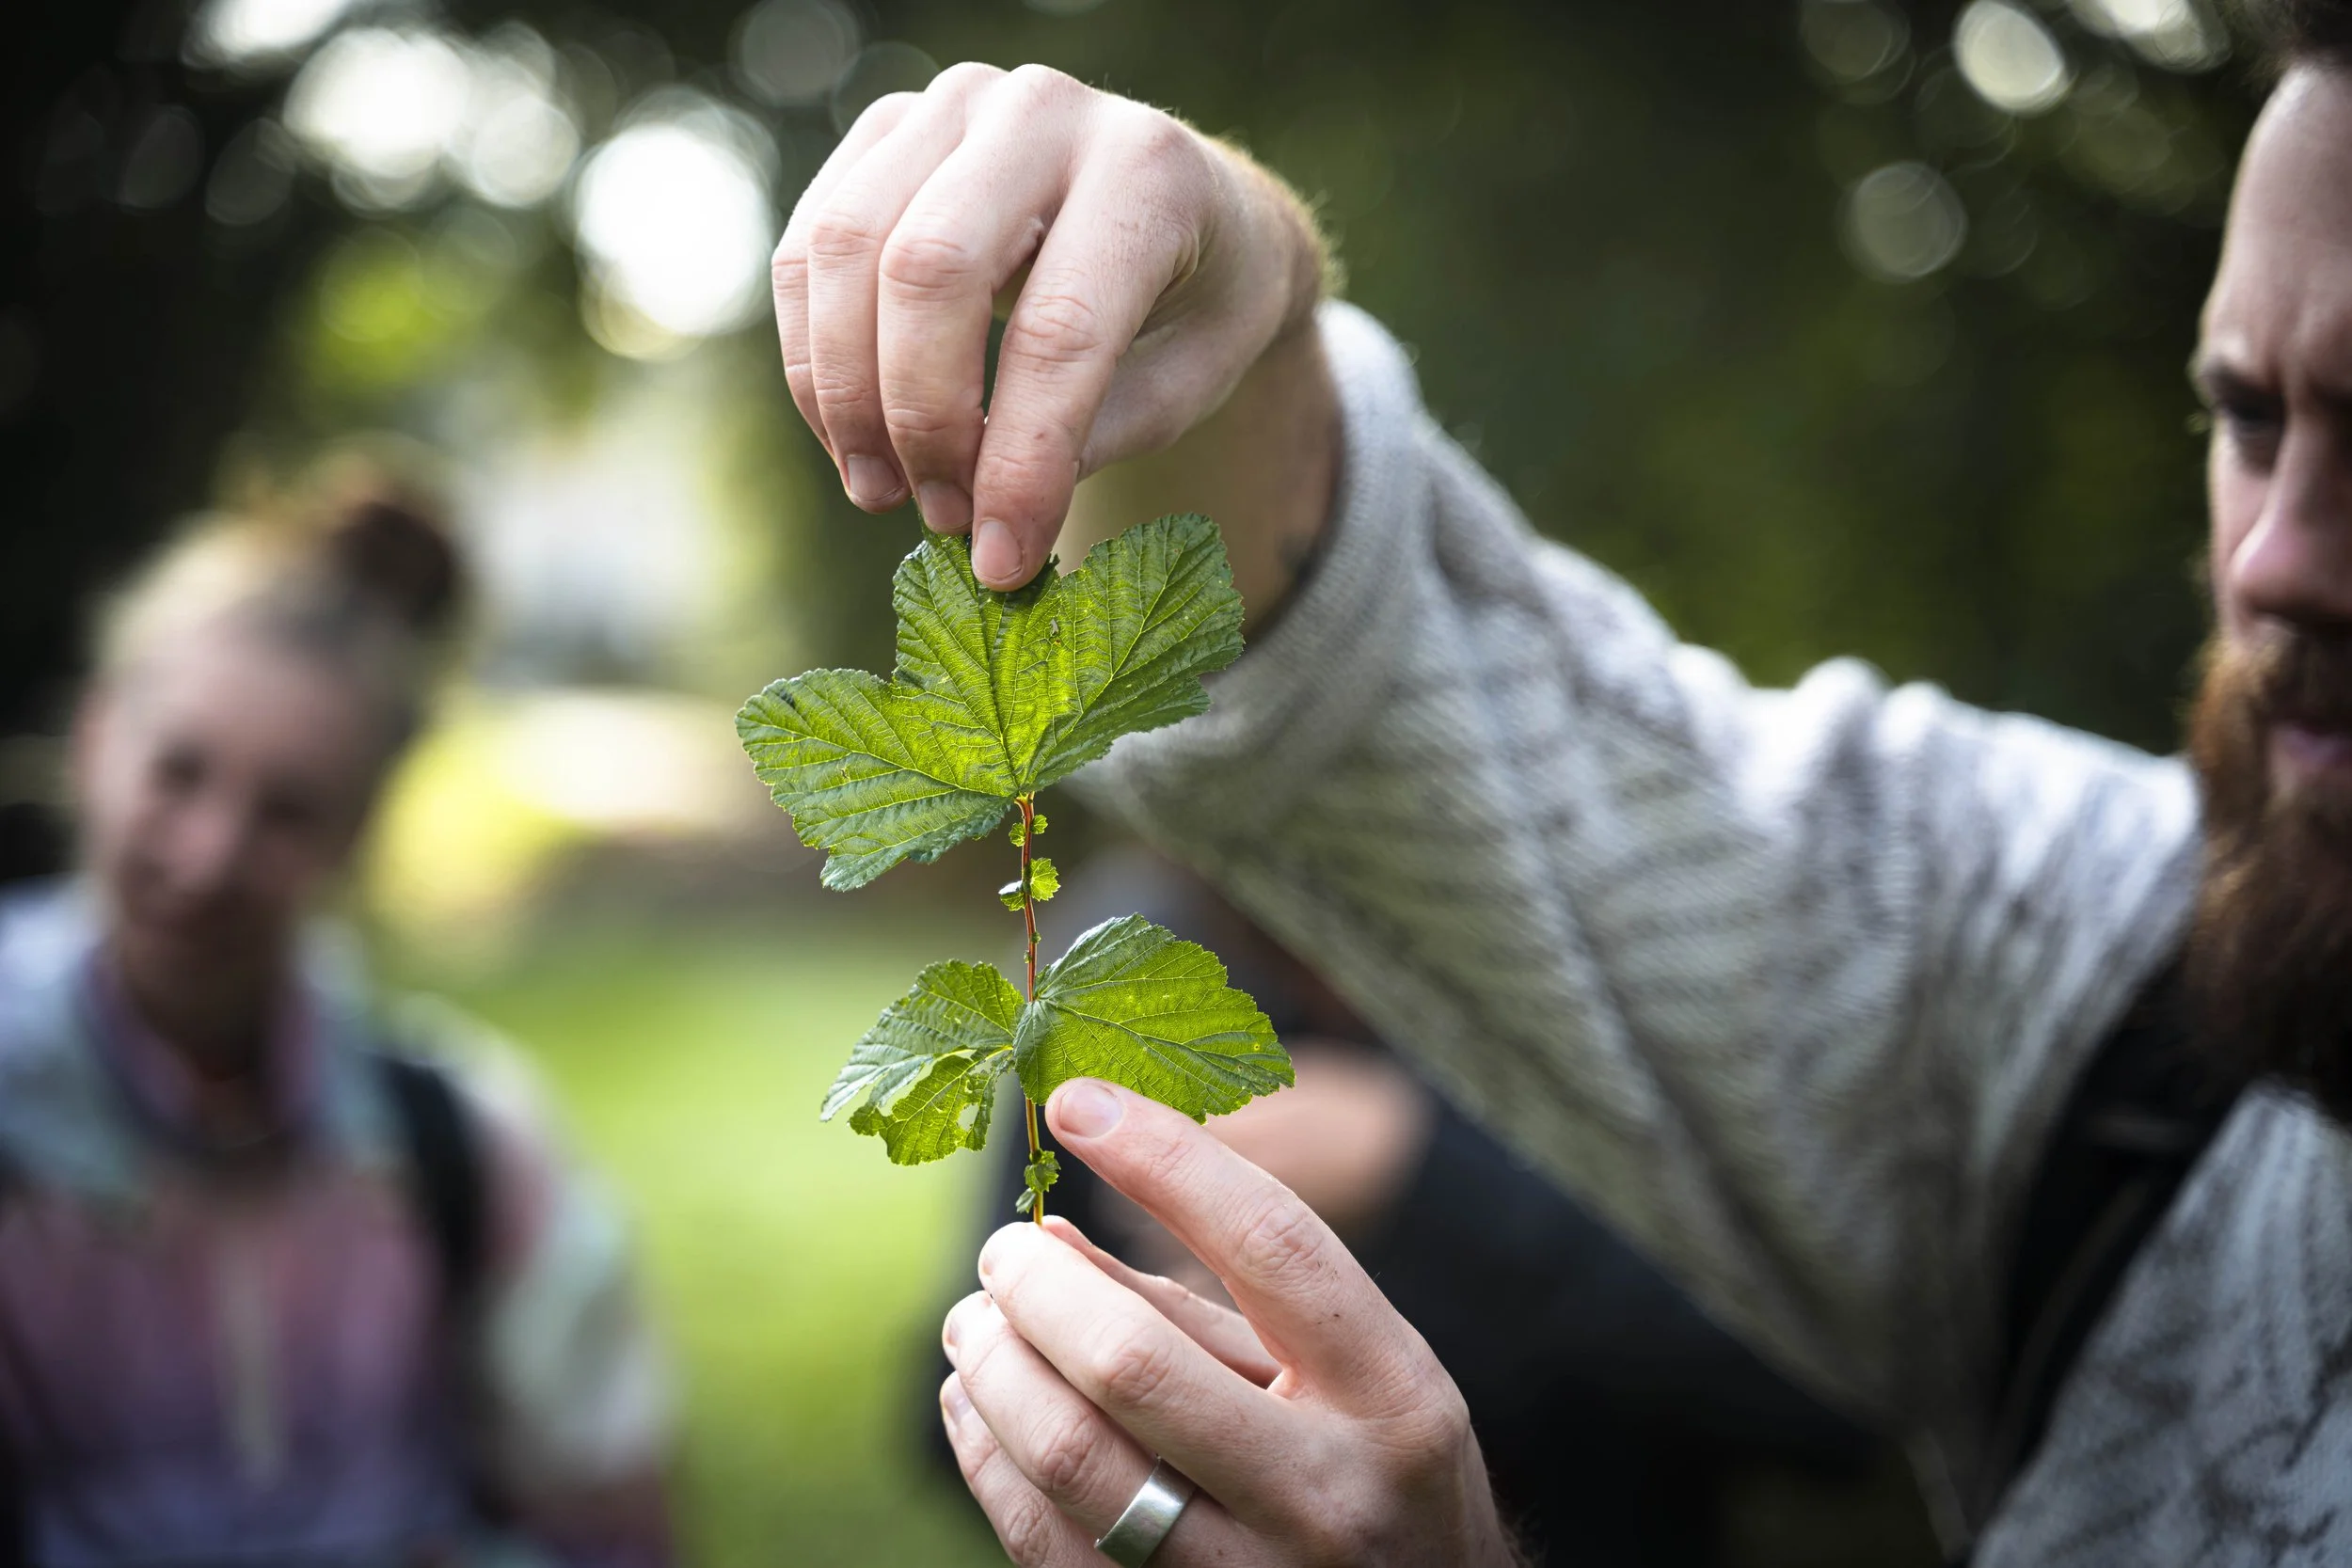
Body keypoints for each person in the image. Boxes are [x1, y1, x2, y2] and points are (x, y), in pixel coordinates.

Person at [768, 0, 2352, 1560]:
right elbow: (1375, 673)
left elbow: (1768, 1398)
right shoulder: (2097, 960)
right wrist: (1226, 298)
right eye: (2246, 415)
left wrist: (1413, 1169)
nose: (2279, 558)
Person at [0, 458, 673, 1566]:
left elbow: (613, 1519)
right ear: (93, 738)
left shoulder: (459, 1142)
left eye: (287, 812)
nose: (212, 857)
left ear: (358, 835)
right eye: (179, 773)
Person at [928, 847, 1909, 1566]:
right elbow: (946, 1410)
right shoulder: (1120, 968)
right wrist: (1129, 1384)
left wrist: (1421, 1165)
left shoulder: (1619, 968)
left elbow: (1830, 1402)